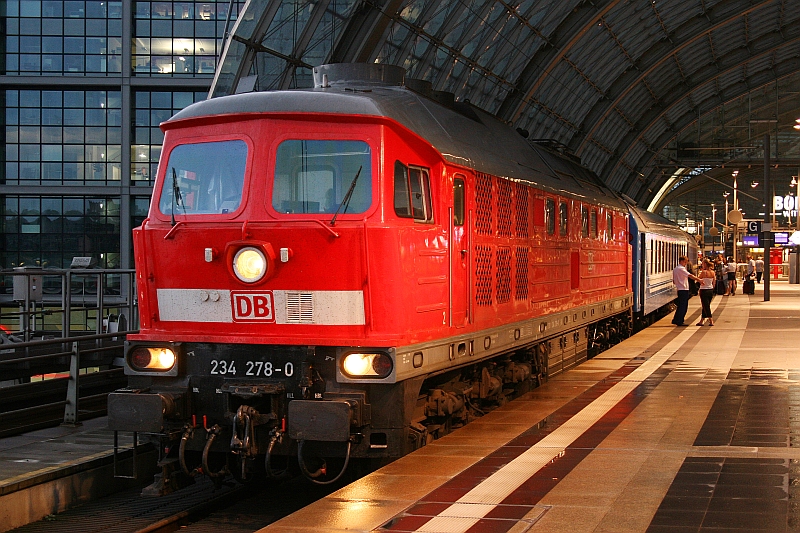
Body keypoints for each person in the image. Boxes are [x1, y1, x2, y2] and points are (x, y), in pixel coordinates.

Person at [672, 256, 702, 326]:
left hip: (679, 289)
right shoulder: (681, 269)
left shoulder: (675, 269)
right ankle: (680, 321)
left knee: (680, 305)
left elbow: (674, 281)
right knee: (683, 306)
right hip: (684, 289)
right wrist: (699, 280)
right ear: (682, 261)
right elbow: (690, 275)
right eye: (685, 262)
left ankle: (675, 319)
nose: (686, 264)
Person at [697, 259, 716, 326]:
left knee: (706, 306)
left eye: (702, 264)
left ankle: (711, 320)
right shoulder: (713, 272)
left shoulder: (703, 272)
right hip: (710, 290)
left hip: (703, 290)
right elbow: (714, 282)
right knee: (705, 306)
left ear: (705, 264)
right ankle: (701, 321)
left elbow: (698, 279)